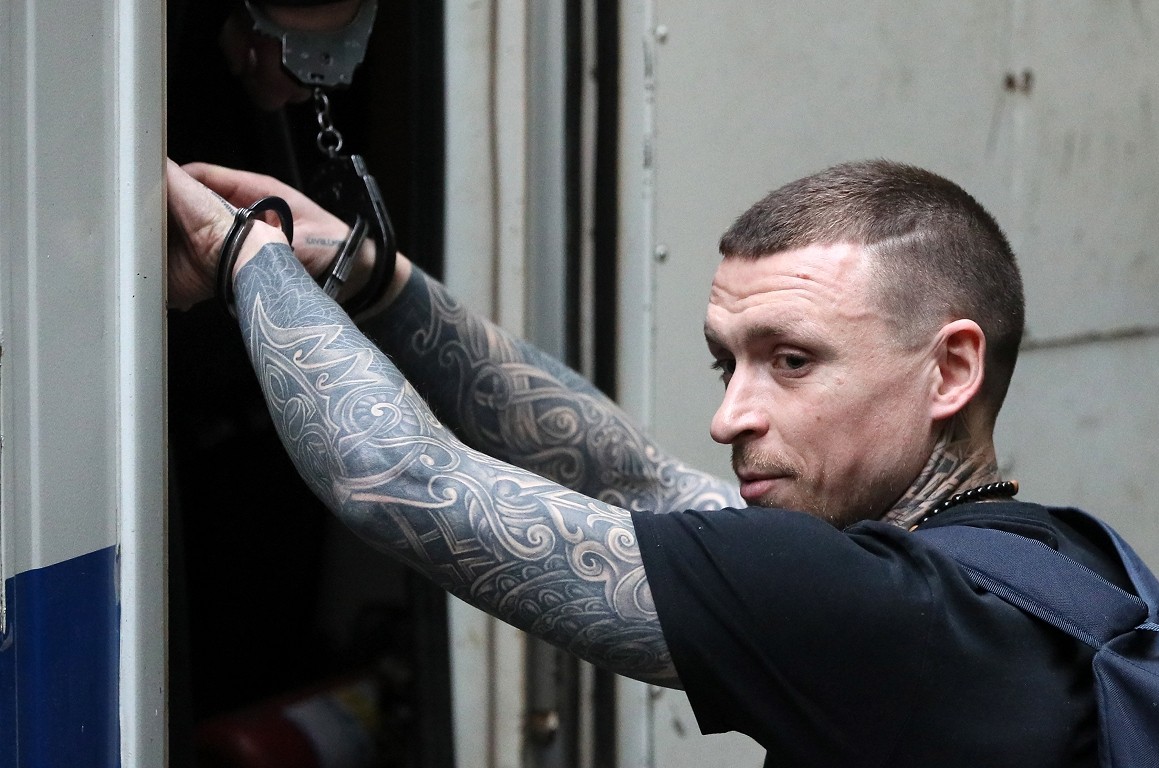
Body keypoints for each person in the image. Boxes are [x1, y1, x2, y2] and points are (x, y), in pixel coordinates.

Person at [167, 157, 1132, 766]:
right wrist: (379, 281)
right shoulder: (1063, 568)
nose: (727, 418)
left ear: (951, 369)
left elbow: (399, 481)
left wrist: (242, 254)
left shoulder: (880, 613)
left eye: (792, 361)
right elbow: (633, 479)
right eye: (726, 364)